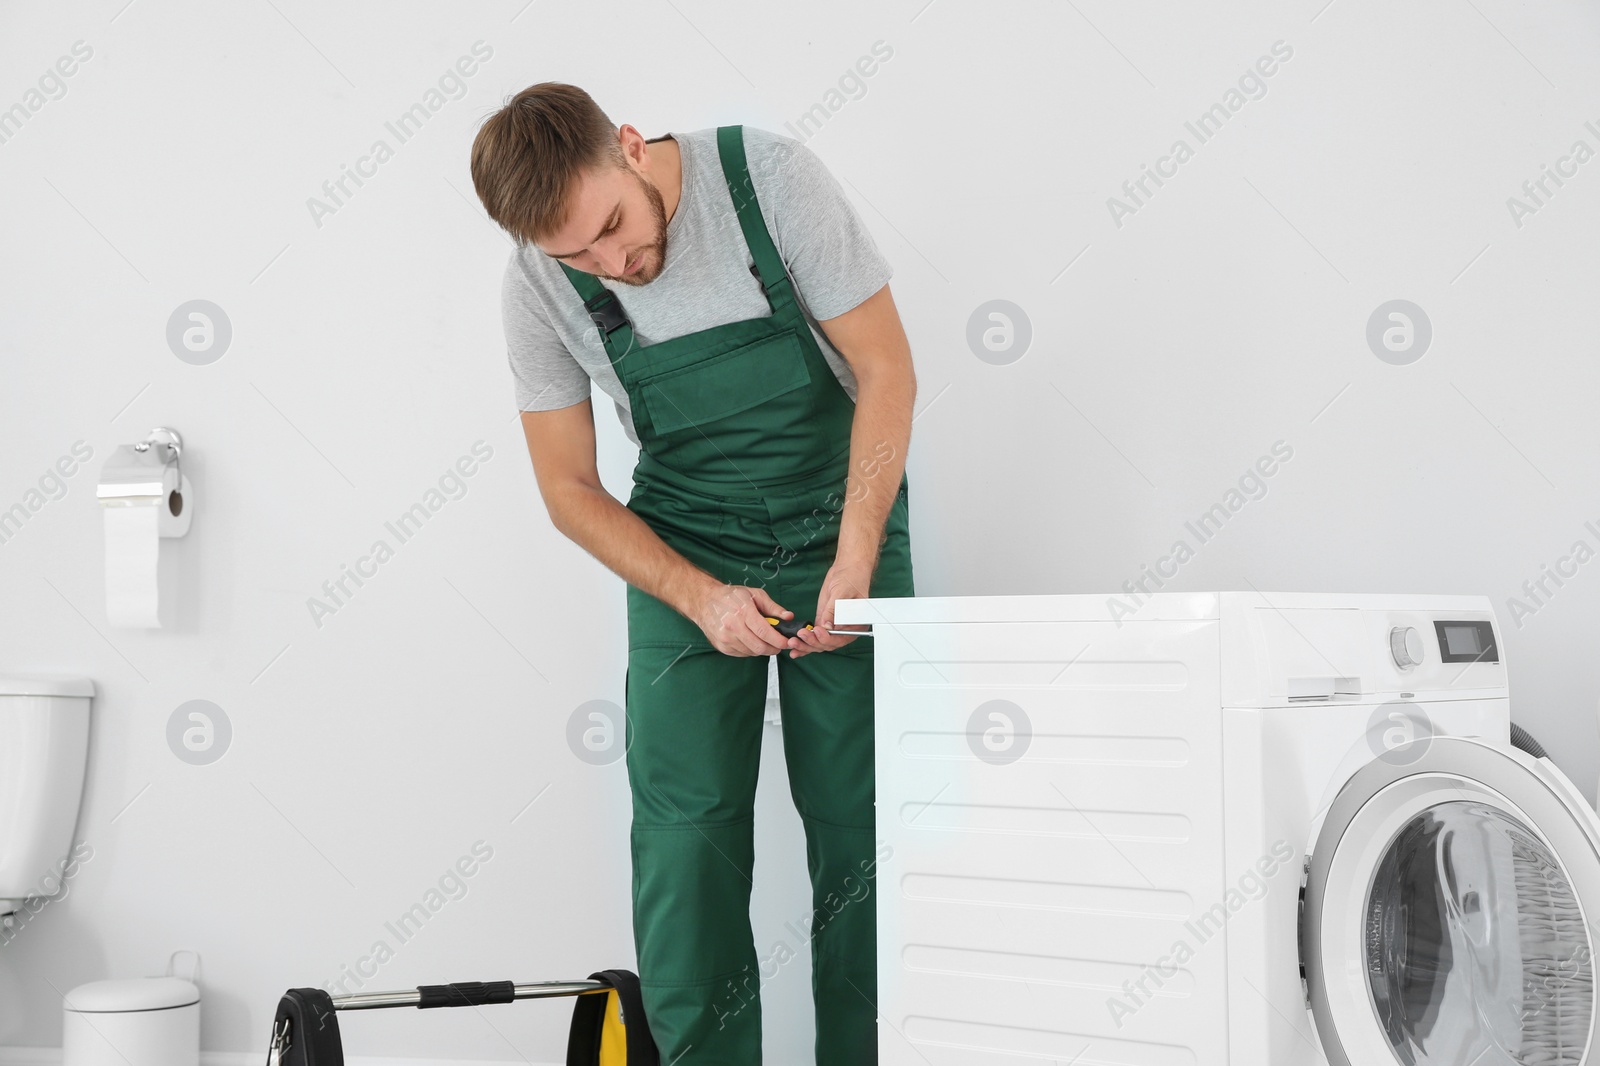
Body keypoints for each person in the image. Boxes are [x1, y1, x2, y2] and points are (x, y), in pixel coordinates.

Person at [470, 82, 915, 1064]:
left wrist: (855, 555)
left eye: (614, 229)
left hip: (844, 515)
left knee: (865, 833)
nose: (613, 264)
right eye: (576, 255)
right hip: (684, 545)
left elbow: (885, 369)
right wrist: (697, 596)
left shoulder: (769, 178)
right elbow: (570, 488)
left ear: (630, 147)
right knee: (685, 844)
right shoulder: (534, 288)